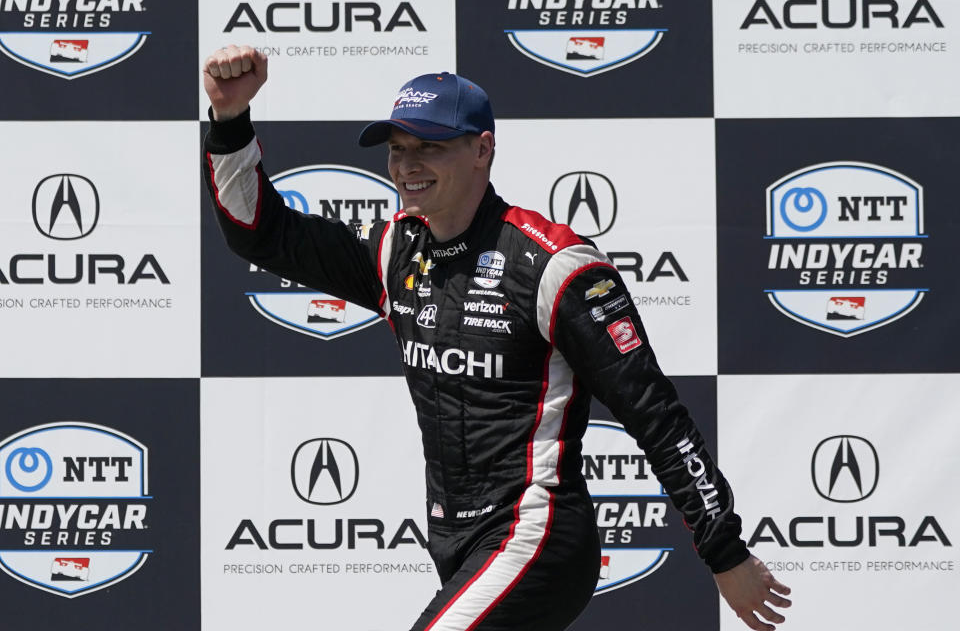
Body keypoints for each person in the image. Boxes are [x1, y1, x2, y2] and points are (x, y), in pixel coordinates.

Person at [201, 45, 792, 631]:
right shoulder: (394, 250)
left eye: (429, 146)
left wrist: (725, 552)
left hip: (536, 532)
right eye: (398, 149)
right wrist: (230, 119)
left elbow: (654, 413)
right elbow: (260, 233)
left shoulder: (554, 265)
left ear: (483, 148)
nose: (407, 165)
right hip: (455, 539)